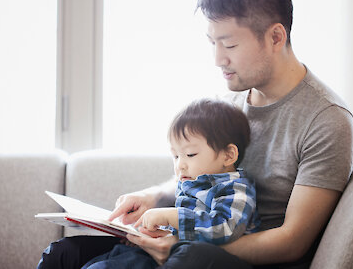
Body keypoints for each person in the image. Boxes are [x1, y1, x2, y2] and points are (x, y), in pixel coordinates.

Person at [38, 0, 353, 268]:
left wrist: (177, 248)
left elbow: (292, 242)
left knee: (188, 258)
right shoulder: (229, 102)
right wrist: (154, 196)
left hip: (240, 258)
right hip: (190, 243)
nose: (218, 59)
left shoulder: (326, 120)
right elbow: (201, 178)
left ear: (276, 37)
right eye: (212, 43)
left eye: (229, 44)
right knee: (64, 255)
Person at [80, 98, 260, 268]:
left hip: (203, 261)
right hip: (163, 253)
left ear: (228, 155)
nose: (180, 165)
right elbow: (180, 229)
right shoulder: (191, 183)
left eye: (190, 154)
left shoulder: (236, 189)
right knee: (98, 260)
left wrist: (172, 216)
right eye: (175, 156)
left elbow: (224, 228)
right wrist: (147, 233)